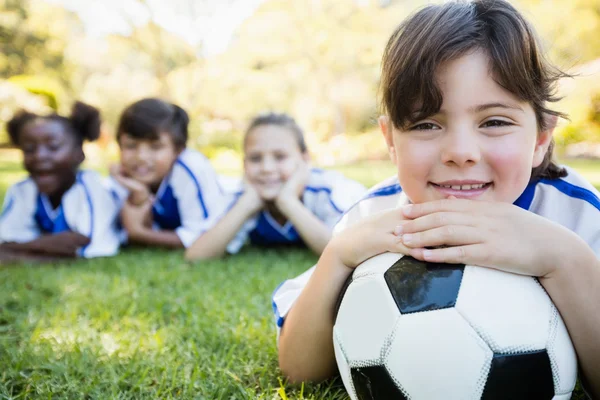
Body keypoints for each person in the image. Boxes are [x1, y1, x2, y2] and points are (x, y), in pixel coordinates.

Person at [272, 1, 600, 397]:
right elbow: (298, 372)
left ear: (541, 138)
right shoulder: (375, 217)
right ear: (391, 141)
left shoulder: (579, 215)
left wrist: (565, 260)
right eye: (427, 123)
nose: (460, 152)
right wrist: (339, 254)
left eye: (494, 122)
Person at [184, 112, 366, 260]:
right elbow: (196, 256)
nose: (267, 168)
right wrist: (246, 205)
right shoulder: (244, 194)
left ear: (304, 159)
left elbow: (345, 252)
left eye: (280, 157)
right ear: (244, 164)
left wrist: (288, 202)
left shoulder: (327, 190)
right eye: (255, 159)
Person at [0, 102, 121, 262]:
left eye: (53, 147)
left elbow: (86, 248)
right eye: (29, 148)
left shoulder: (92, 188)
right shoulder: (22, 190)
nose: (39, 156)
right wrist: (48, 244)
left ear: (79, 153)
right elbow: (5, 237)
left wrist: (13, 251)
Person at [109, 98, 227, 249]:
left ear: (178, 149)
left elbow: (203, 239)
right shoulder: (124, 176)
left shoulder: (189, 168)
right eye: (131, 146)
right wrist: (139, 195)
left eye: (155, 147)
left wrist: (138, 232)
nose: (141, 157)